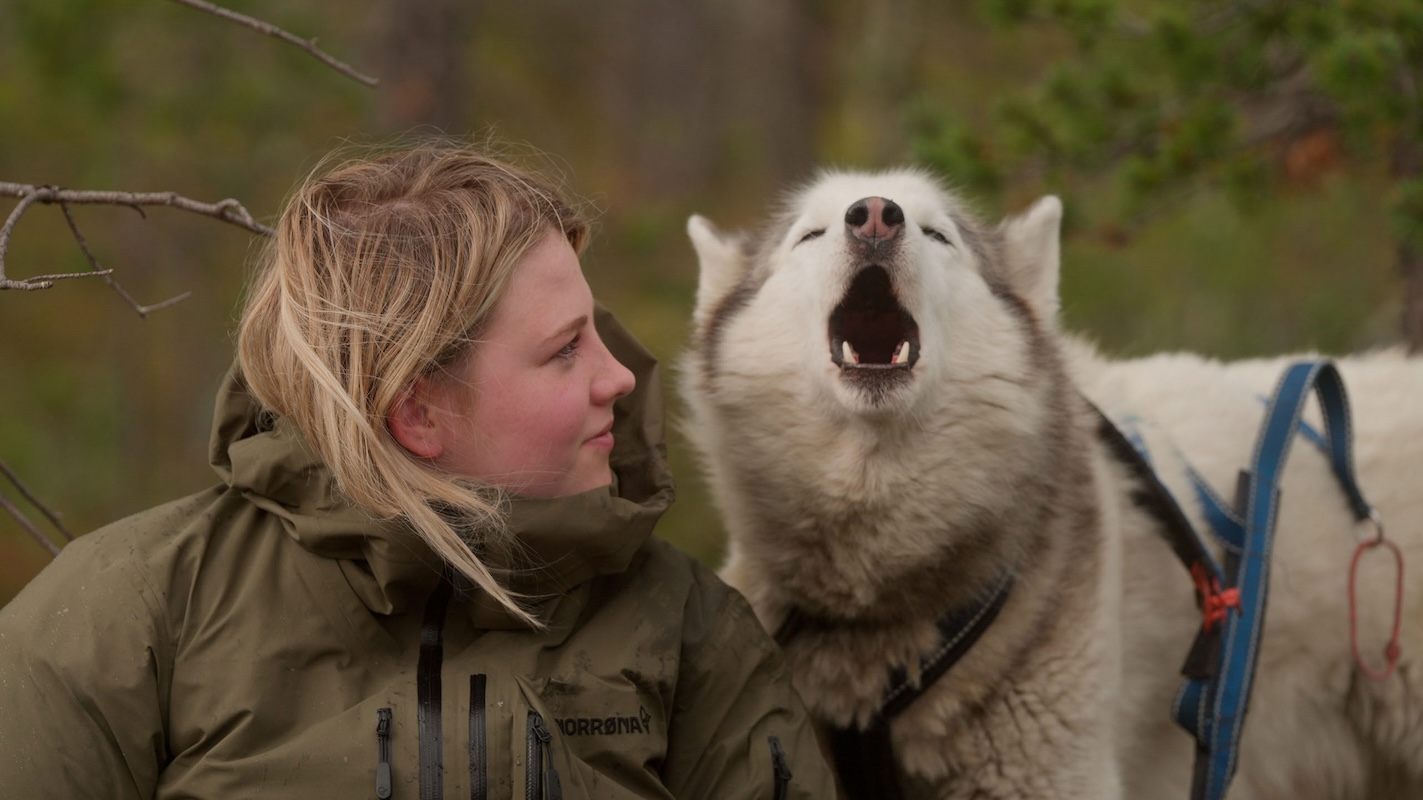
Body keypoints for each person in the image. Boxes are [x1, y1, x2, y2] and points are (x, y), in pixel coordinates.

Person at [0, 144, 835, 799]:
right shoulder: (126, 621)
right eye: (563, 351)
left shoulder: (693, 633)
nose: (617, 378)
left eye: (596, 331)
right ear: (418, 414)